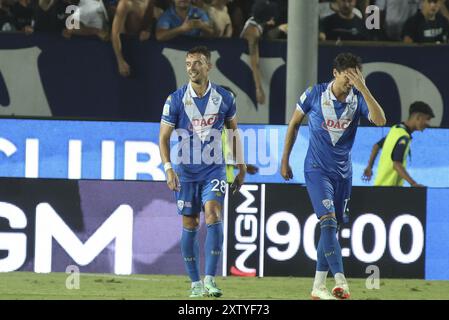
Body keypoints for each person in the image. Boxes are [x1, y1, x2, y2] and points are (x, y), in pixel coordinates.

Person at [281, 53, 386, 300]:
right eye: (348, 75)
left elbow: (380, 120)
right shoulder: (314, 94)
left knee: (332, 228)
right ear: (335, 73)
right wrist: (284, 159)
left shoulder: (358, 98)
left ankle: (318, 286)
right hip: (317, 169)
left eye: (356, 76)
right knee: (327, 221)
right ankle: (340, 281)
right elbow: (294, 123)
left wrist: (365, 89)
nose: (351, 81)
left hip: (343, 174)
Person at [159, 46, 246, 298]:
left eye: (197, 63)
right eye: (188, 64)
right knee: (190, 223)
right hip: (185, 172)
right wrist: (168, 169)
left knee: (213, 213)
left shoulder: (225, 98)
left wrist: (240, 165)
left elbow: (232, 133)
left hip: (214, 170)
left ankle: (210, 279)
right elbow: (163, 138)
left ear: (209, 66)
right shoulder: (174, 100)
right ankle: (195, 283)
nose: (192, 68)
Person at [362, 101, 434, 187]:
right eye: (427, 119)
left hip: (379, 187)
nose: (428, 124)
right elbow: (396, 164)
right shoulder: (404, 136)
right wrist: (413, 184)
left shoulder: (395, 129)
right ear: (418, 117)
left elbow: (376, 146)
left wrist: (369, 167)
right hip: (391, 191)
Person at [240, 0, 279, 105]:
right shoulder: (253, 33)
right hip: (242, 69)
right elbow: (254, 63)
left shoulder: (256, 20)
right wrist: (258, 89)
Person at [111, 0, 155, 77]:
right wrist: (120, 60)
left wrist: (148, 31)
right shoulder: (125, 4)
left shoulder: (150, 3)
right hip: (125, 50)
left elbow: (150, 22)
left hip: (142, 53)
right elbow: (115, 33)